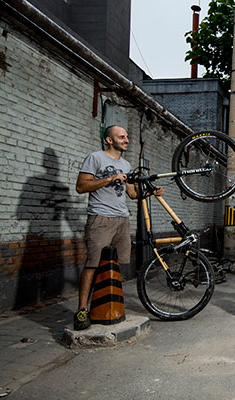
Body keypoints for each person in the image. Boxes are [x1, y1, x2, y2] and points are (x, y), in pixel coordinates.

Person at [74, 125, 163, 330]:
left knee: (116, 265)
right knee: (92, 264)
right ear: (109, 140)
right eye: (121, 137)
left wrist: (151, 193)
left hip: (122, 219)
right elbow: (81, 187)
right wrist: (109, 179)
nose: (127, 140)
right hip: (100, 219)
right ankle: (81, 310)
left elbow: (132, 194)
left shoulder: (126, 164)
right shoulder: (95, 158)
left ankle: (109, 307)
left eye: (127, 136)